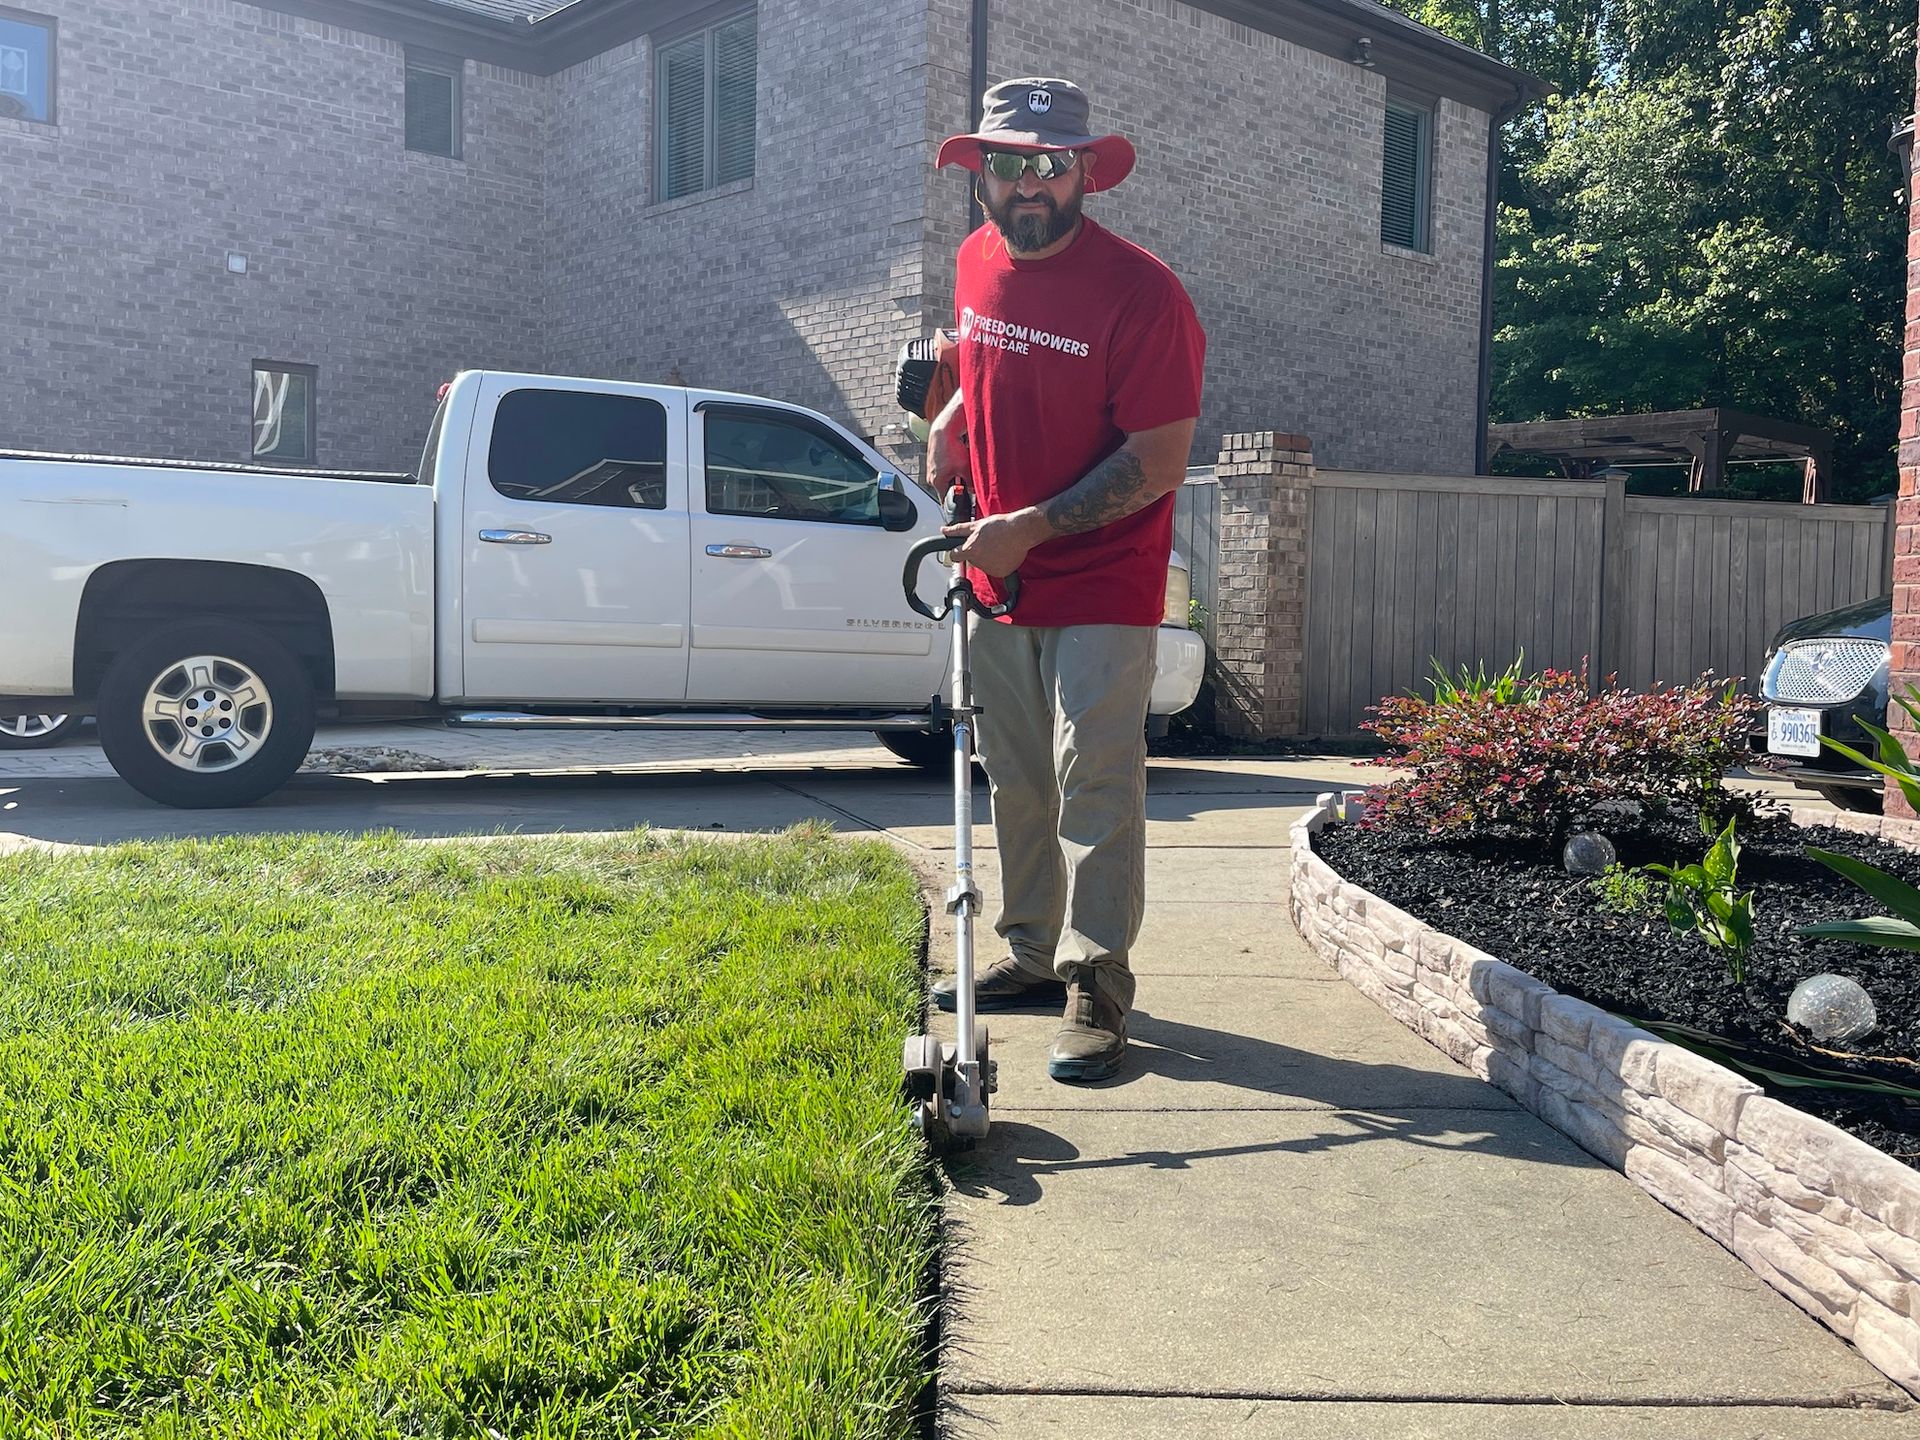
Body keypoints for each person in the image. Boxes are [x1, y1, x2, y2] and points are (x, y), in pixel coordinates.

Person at [926, 77, 1206, 1082]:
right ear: (982, 172)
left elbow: (1158, 461)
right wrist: (952, 416)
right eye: (1010, 163)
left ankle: (1097, 979)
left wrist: (1031, 529)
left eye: (1050, 163)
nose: (1030, 183)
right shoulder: (974, 258)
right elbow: (979, 357)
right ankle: (1035, 951)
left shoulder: (1143, 294)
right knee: (1017, 778)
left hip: (1102, 579)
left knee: (1095, 781)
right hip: (1000, 578)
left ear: (1085, 171)